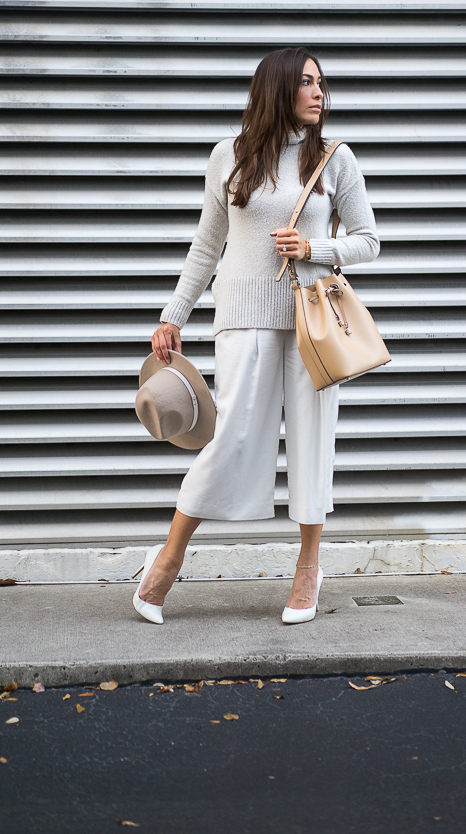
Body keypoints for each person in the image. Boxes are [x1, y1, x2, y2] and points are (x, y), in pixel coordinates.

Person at [134, 47, 379, 625]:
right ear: (277, 90)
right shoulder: (230, 157)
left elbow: (369, 240)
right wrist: (174, 314)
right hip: (243, 315)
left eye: (323, 83)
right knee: (231, 436)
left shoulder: (335, 159)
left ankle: (308, 568)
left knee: (314, 441)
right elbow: (205, 245)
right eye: (307, 83)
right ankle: (168, 559)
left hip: (312, 321)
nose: (320, 93)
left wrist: (316, 248)